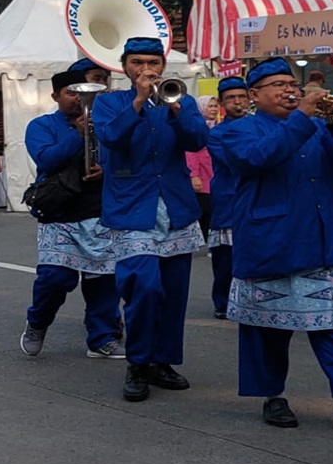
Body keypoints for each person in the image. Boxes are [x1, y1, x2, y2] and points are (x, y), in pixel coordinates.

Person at [220, 57, 333, 430]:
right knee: (267, 329)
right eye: (279, 85)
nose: (290, 90)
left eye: (293, 84)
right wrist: (303, 116)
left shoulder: (318, 126)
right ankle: (273, 396)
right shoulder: (237, 131)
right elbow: (258, 158)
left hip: (323, 236)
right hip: (271, 239)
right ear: (254, 95)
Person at [91, 37, 208, 402]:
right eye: (138, 63)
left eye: (153, 63)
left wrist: (175, 109)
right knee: (143, 287)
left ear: (163, 66)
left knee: (174, 292)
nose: (146, 69)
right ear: (125, 66)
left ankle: (162, 361)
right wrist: (139, 102)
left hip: (175, 206)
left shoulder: (182, 100)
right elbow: (110, 137)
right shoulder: (109, 102)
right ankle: (138, 362)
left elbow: (198, 140)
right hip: (131, 207)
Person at [20, 69, 124, 359]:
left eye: (83, 93)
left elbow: (123, 158)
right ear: (55, 96)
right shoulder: (41, 125)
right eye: (71, 93)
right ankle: (37, 323)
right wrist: (78, 135)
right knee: (54, 278)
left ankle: (102, 338)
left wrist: (107, 168)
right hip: (59, 213)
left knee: (103, 280)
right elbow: (46, 159)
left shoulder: (105, 122)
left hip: (99, 210)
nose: (78, 99)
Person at [206, 76, 252, 319]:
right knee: (225, 259)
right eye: (231, 98)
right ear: (222, 104)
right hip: (229, 199)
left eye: (242, 97)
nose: (238, 102)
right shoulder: (216, 134)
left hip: (255, 199)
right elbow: (235, 162)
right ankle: (223, 302)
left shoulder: (259, 126)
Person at [185, 95, 219, 242]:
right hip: (202, 176)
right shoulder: (197, 128)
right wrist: (194, 175)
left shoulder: (218, 126)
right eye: (210, 106)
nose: (214, 109)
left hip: (215, 174)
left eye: (215, 106)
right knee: (205, 210)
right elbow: (191, 152)